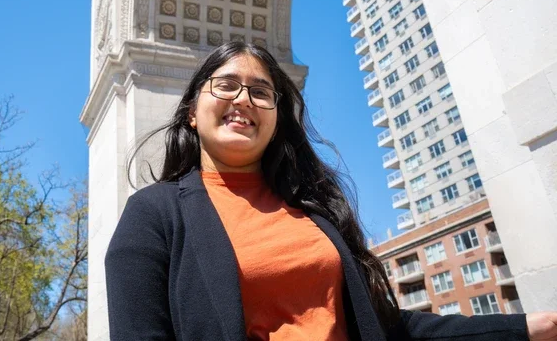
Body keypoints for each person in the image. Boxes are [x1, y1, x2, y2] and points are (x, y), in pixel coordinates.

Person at [105, 41, 557, 340]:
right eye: (225, 85)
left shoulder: (314, 212)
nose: (243, 99)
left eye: (261, 92)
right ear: (190, 112)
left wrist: (526, 328)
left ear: (277, 118)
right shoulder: (153, 215)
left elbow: (386, 328)